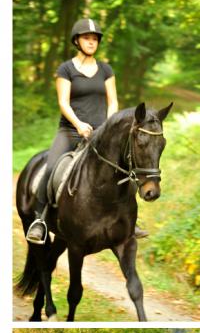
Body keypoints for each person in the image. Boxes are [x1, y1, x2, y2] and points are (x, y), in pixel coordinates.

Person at [25, 18, 147, 244]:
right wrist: (79, 124)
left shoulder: (106, 70)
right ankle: (39, 220)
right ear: (77, 41)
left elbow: (113, 102)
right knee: (52, 167)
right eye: (87, 38)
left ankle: (130, 219)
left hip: (100, 134)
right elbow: (63, 102)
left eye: (94, 39)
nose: (91, 43)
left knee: (124, 168)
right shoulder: (66, 69)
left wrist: (109, 127)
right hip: (70, 132)